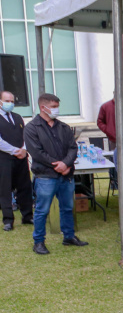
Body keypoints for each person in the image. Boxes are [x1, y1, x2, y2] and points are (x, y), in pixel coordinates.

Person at [24, 93, 88, 254]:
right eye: (53, 107)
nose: (56, 110)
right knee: (42, 210)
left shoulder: (63, 127)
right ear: (43, 107)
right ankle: (38, 242)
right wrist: (57, 165)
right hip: (45, 176)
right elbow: (37, 153)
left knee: (67, 207)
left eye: (57, 106)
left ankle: (69, 236)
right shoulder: (32, 128)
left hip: (65, 175)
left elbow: (73, 147)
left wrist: (66, 163)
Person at [0, 91, 32, 231]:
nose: (10, 104)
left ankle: (27, 216)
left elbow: (25, 135)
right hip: (4, 159)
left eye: (12, 101)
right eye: (7, 101)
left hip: (21, 158)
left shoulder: (18, 117)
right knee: (5, 189)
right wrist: (15, 151)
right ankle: (8, 219)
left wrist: (24, 149)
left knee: (25, 187)